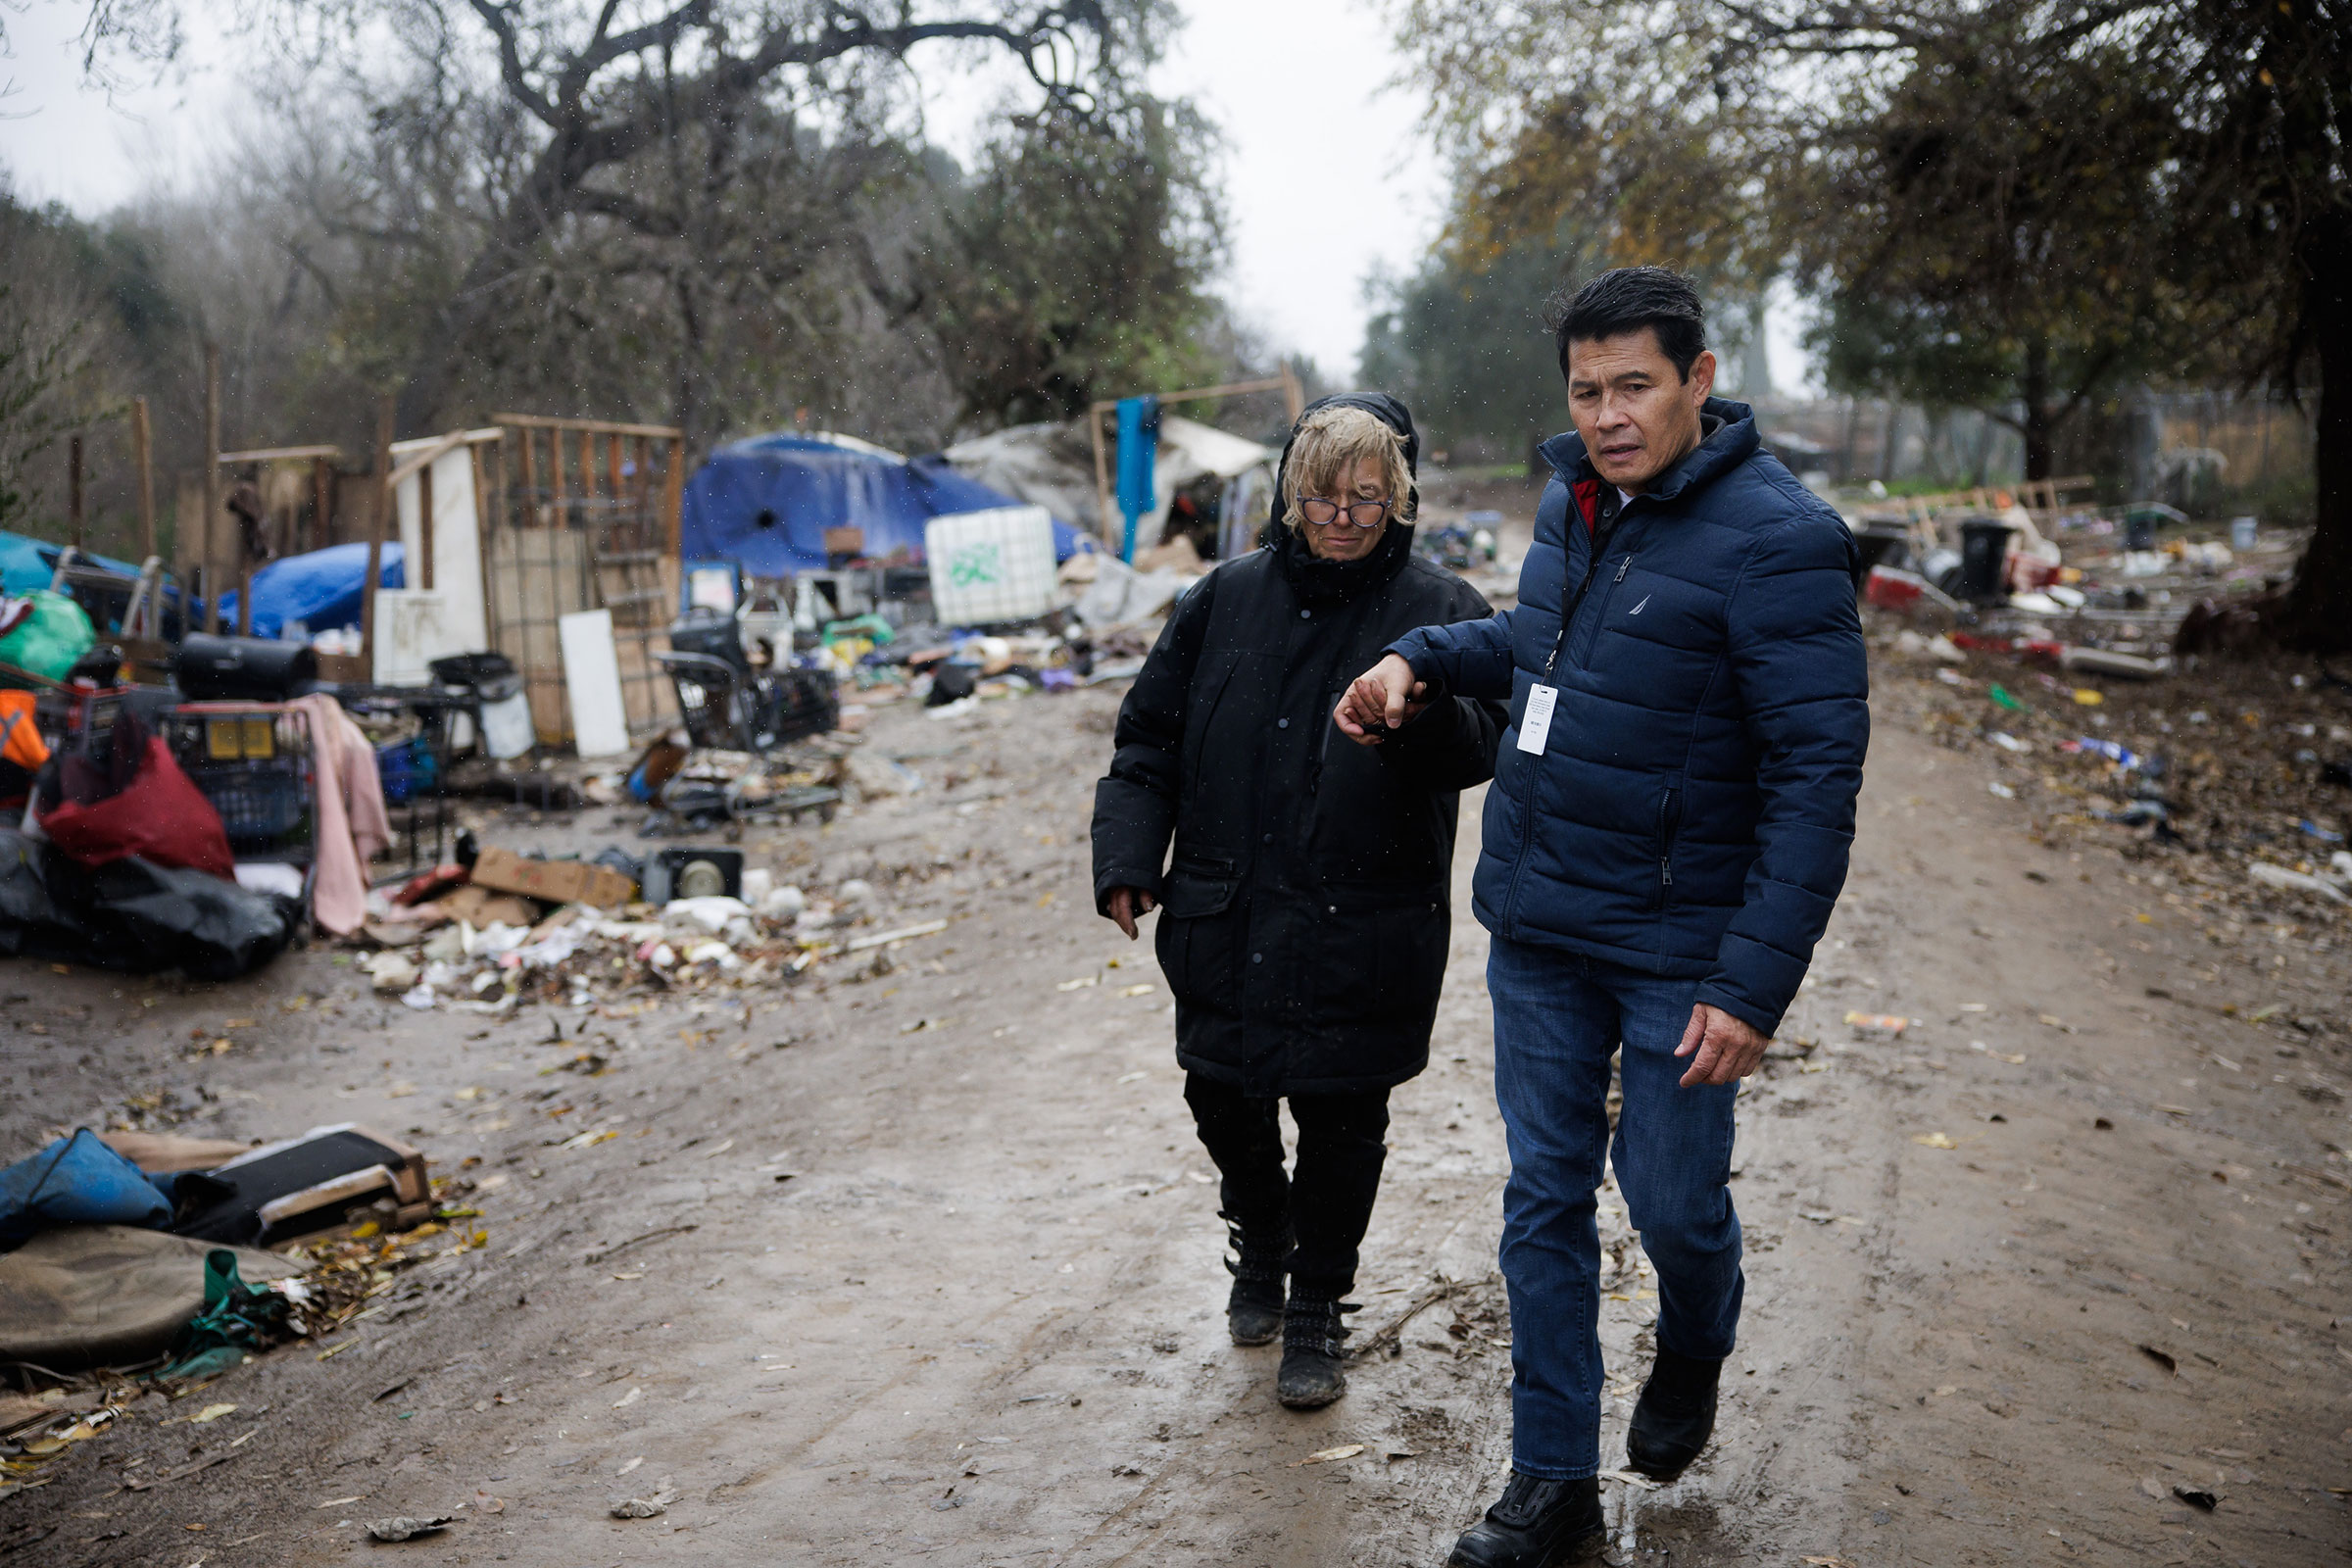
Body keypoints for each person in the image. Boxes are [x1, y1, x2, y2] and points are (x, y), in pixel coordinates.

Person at [1335, 269, 1869, 1564]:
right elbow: (1547, 640)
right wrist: (1423, 656)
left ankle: (1695, 1335)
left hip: (1682, 945)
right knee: (1543, 1199)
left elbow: (1815, 777)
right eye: (1589, 389)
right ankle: (1552, 1484)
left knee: (1674, 1201)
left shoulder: (1781, 537)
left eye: (1636, 384)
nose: (1611, 413)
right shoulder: (1571, 501)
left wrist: (1752, 986)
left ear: (1698, 377)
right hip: (1542, 924)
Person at [1092, 395, 1505, 1410]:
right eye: (1323, 492)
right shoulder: (1221, 599)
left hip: (1365, 915)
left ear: (1399, 494)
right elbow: (1146, 739)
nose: (1343, 514)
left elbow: (1486, 744)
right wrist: (1129, 855)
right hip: (1227, 903)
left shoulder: (1443, 604)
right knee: (1219, 1089)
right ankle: (1261, 1231)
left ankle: (1318, 1299)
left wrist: (1422, 707)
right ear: (1290, 489)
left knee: (1342, 1112)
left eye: (1369, 495)